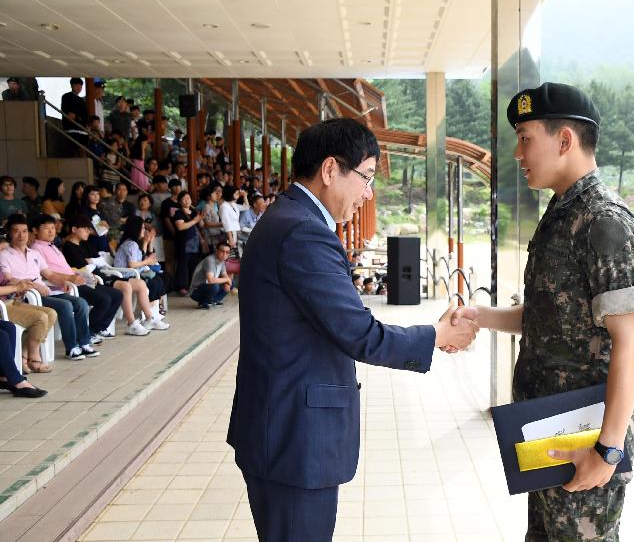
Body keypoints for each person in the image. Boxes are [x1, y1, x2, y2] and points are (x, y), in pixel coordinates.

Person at [227, 118, 478, 542]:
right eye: (366, 177)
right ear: (330, 170)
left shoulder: (288, 219)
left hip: (281, 430)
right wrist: (437, 336)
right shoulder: (303, 233)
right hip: (294, 440)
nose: (368, 193)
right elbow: (358, 332)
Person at [449, 83, 634, 541]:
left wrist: (609, 450)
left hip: (585, 434)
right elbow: (546, 315)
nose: (518, 153)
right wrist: (479, 315)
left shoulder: (605, 223)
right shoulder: (561, 213)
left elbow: (630, 341)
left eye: (525, 138)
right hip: (547, 426)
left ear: (564, 141)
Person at [0, 214, 98, 361]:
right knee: (65, 306)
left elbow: (49, 274)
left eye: (25, 231)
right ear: (9, 233)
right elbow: (8, 279)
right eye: (16, 231)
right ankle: (71, 347)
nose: (21, 235)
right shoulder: (4, 255)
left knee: (81, 303)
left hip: (45, 293)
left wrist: (62, 281)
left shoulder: (34, 254)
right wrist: (36, 286)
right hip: (26, 295)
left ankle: (84, 342)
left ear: (29, 233)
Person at [62, 215, 160, 336]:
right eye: (85, 229)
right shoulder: (68, 247)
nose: (89, 231)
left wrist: (92, 261)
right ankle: (130, 323)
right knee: (123, 288)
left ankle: (147, 319)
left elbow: (100, 261)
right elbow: (84, 267)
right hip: (89, 280)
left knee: (132, 287)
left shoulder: (85, 244)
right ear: (74, 229)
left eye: (89, 229)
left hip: (101, 276)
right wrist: (93, 262)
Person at [32, 214, 123, 340]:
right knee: (104, 299)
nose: (51, 231)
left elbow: (68, 268)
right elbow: (48, 273)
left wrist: (85, 275)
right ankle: (89, 332)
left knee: (117, 295)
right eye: (46, 228)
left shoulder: (52, 246)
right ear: (35, 230)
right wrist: (70, 278)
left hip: (76, 280)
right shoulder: (36, 249)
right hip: (64, 286)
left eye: (53, 228)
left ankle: (97, 329)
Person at [113, 216, 169, 330]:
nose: (144, 230)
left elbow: (138, 261)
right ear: (136, 228)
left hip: (131, 275)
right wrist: (147, 261)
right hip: (123, 276)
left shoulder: (133, 243)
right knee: (146, 283)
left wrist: (147, 245)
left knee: (151, 282)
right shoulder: (130, 244)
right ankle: (149, 319)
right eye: (142, 228)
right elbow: (132, 264)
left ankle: (151, 318)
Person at [172, 191, 204, 294]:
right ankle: (182, 287)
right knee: (183, 265)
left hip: (195, 243)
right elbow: (180, 226)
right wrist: (195, 220)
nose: (187, 200)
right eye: (184, 199)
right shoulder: (178, 213)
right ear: (180, 201)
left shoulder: (194, 212)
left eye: (188, 198)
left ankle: (193, 285)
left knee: (194, 264)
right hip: (184, 243)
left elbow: (200, 226)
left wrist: (201, 217)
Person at [189, 241, 232, 309]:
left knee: (231, 283)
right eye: (222, 251)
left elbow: (225, 275)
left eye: (227, 252)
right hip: (196, 291)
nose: (224, 254)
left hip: (207, 287)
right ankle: (203, 303)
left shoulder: (222, 261)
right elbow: (211, 280)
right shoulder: (210, 260)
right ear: (217, 251)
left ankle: (213, 301)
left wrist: (228, 282)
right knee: (215, 286)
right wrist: (227, 280)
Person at [61, 77, 88, 155]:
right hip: (72, 128)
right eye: (77, 86)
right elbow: (68, 114)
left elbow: (84, 115)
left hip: (82, 129)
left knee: (83, 150)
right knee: (74, 150)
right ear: (72, 86)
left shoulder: (81, 100)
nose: (79, 88)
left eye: (80, 86)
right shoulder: (66, 97)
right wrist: (77, 118)